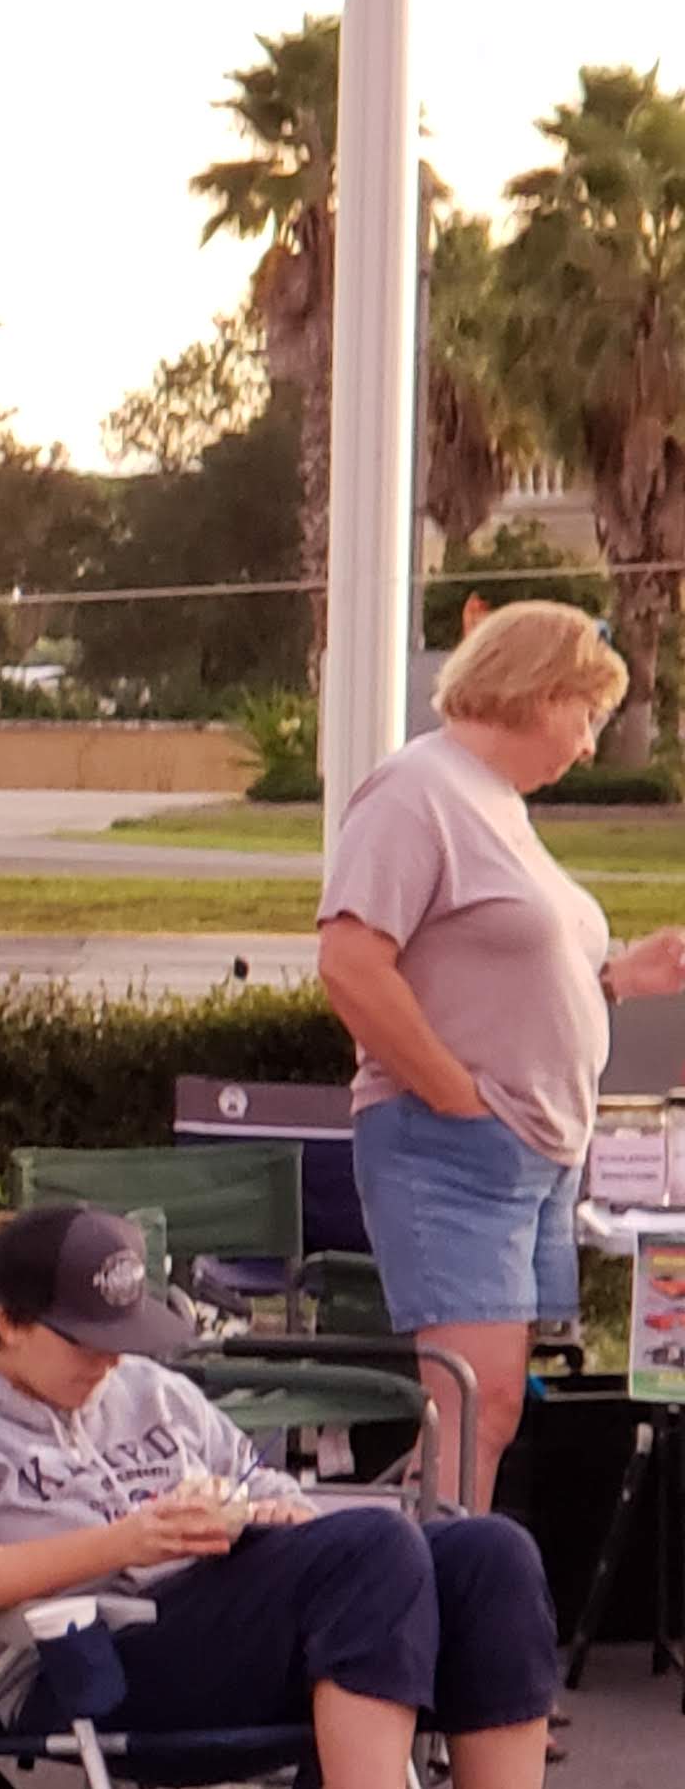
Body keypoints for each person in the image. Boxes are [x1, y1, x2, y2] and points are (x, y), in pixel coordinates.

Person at [0, 1205, 641, 1789]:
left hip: (213, 1614)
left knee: (487, 1552)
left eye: (122, 1339)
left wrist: (268, 1512)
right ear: (8, 1322)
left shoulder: (146, 1391)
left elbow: (253, 1475)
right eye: (85, 1341)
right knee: (374, 1548)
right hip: (88, 1658)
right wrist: (124, 1543)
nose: (108, 1363)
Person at [319, 600, 685, 1508]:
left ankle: (433, 1595)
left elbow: (495, 977)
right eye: (588, 715)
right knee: (470, 1409)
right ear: (536, 690)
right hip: (456, 1154)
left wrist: (616, 978)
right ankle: (422, 1624)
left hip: (526, 1158)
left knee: (490, 1412)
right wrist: (456, 1096)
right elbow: (351, 965)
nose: (590, 745)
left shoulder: (494, 806)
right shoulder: (416, 792)